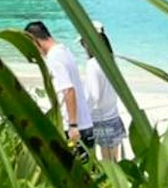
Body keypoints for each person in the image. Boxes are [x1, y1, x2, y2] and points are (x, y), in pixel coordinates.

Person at [24, 20, 94, 159]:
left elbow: (68, 90)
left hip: (74, 127)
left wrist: (73, 125)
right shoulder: (63, 50)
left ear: (34, 40)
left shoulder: (54, 57)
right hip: (85, 123)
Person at [81, 24, 126, 161]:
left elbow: (93, 95)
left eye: (84, 43)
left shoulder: (92, 64)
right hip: (114, 116)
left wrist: (82, 115)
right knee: (115, 163)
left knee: (107, 166)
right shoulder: (110, 59)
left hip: (100, 119)